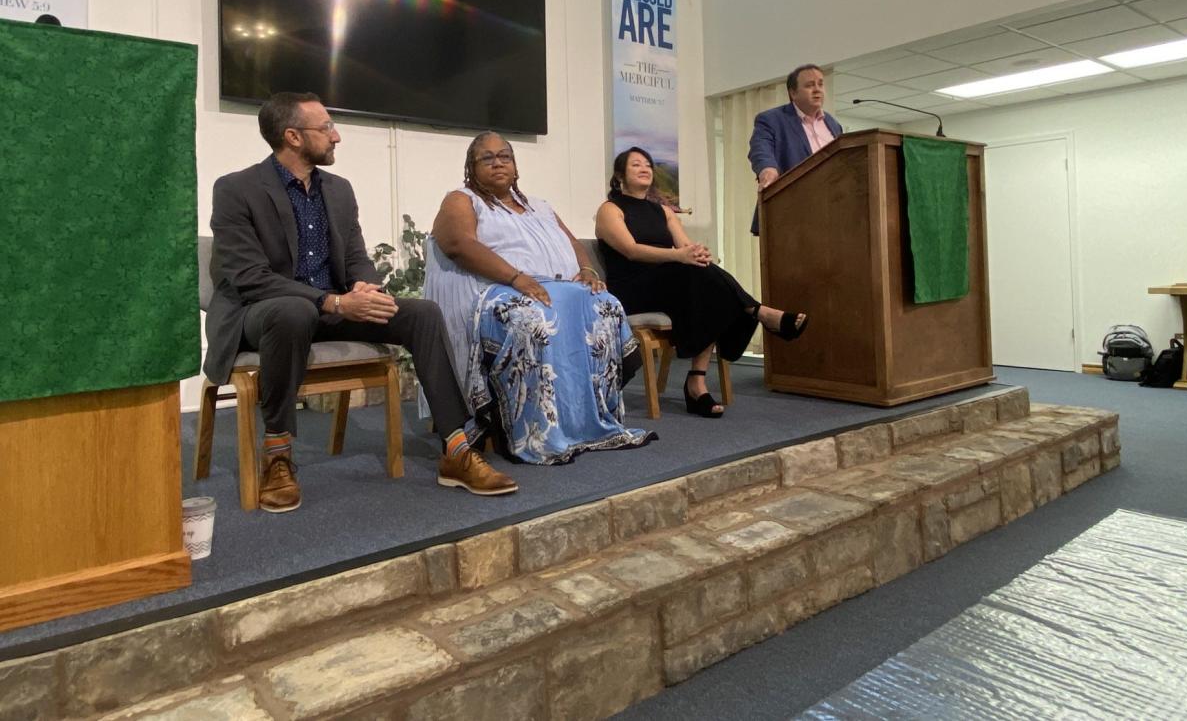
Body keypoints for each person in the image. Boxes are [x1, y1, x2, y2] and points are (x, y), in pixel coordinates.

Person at [204, 92, 516, 513]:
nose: (337, 137)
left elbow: (355, 258)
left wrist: (367, 290)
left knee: (421, 313)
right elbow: (251, 278)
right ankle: (277, 452)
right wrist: (332, 302)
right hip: (262, 313)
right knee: (292, 311)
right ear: (293, 137)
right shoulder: (236, 189)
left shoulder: (338, 190)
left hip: (333, 308)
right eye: (326, 128)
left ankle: (456, 448)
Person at [425, 132, 654, 464]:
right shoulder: (462, 199)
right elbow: (458, 244)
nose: (498, 162)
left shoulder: (540, 206)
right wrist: (517, 278)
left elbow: (572, 241)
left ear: (515, 166)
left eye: (505, 155)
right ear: (471, 168)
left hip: (553, 290)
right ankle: (531, 428)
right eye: (486, 158)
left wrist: (588, 269)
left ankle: (585, 418)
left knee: (606, 306)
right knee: (530, 318)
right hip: (496, 293)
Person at [595, 147, 809, 417]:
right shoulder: (610, 209)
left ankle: (698, 379)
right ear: (619, 175)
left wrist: (696, 253)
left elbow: (685, 246)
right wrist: (680, 255)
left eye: (648, 164)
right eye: (636, 164)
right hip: (632, 288)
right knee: (696, 276)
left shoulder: (663, 211)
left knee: (702, 275)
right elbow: (631, 250)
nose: (645, 168)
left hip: (671, 284)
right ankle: (758, 313)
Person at [748, 63, 844, 234]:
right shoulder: (772, 119)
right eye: (809, 85)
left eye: (820, 84)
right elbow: (760, 149)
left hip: (833, 210)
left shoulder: (833, 125)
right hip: (790, 213)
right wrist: (768, 171)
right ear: (793, 93)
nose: (817, 90)